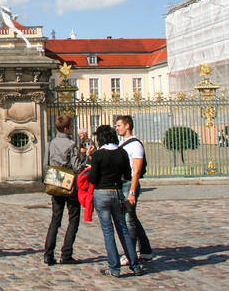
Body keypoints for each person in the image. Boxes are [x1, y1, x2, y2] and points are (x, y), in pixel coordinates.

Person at [89, 125, 143, 277]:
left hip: (102, 194)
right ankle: (135, 265)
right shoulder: (122, 153)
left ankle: (114, 268)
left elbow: (92, 178)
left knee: (108, 232)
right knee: (123, 229)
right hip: (118, 193)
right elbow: (127, 174)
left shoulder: (98, 155)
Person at [43, 115, 86, 265]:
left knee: (55, 219)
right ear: (67, 128)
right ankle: (66, 254)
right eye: (71, 127)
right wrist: (84, 158)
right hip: (69, 183)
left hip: (55, 182)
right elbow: (77, 167)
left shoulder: (50, 144)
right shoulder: (71, 144)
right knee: (73, 218)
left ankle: (48, 254)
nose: (72, 129)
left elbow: (45, 164)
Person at [116, 115, 153, 264]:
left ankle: (130, 253)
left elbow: (136, 171)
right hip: (123, 183)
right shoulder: (122, 142)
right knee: (132, 218)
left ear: (128, 126)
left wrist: (132, 191)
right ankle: (146, 251)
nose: (117, 128)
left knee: (128, 220)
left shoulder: (135, 145)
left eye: (119, 125)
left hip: (130, 184)